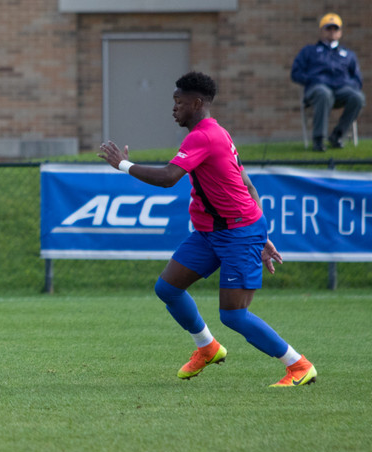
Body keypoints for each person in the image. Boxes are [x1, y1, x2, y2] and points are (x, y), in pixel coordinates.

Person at [98, 71, 317, 387]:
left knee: (233, 315)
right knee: (168, 289)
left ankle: (299, 366)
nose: (173, 109)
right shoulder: (217, 133)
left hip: (238, 234)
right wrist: (263, 237)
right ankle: (208, 347)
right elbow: (248, 186)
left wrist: (123, 165)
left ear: (197, 103)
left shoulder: (203, 136)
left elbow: (168, 178)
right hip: (210, 234)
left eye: (179, 102)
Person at [291, 12, 365, 151]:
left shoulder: (348, 54)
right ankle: (318, 140)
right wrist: (312, 80)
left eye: (335, 28)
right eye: (328, 28)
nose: (332, 31)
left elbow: (357, 79)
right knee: (324, 93)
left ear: (340, 32)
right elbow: (296, 73)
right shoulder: (309, 51)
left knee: (358, 97)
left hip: (342, 89)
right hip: (317, 89)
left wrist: (350, 85)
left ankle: (337, 135)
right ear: (321, 31)